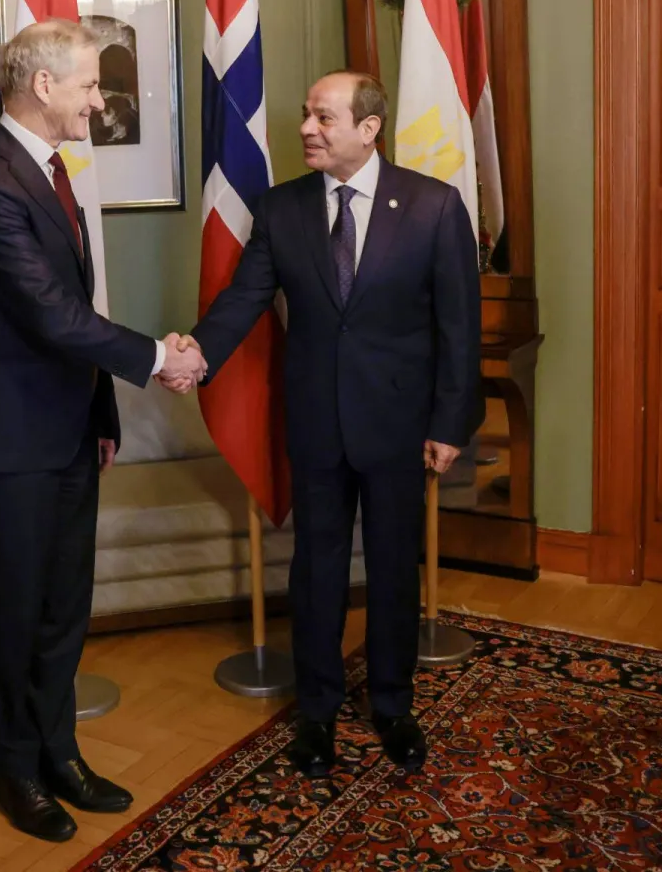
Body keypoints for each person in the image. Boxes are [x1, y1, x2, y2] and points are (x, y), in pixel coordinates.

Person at [0, 18, 206, 843]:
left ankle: (60, 753)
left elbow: (76, 314)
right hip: (6, 439)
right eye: (89, 83)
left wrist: (102, 412)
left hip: (67, 431)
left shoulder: (50, 172)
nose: (100, 97)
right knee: (15, 611)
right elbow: (51, 317)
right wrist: (162, 355)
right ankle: (15, 769)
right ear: (42, 85)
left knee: (64, 609)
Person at [160, 71, 481, 776]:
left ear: (368, 129)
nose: (306, 127)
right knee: (318, 570)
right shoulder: (283, 209)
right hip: (315, 422)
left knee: (395, 567)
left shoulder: (432, 207)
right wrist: (193, 353)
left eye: (323, 117)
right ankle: (317, 711)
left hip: (400, 424)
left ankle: (393, 704)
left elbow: (460, 326)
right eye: (306, 114)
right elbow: (244, 297)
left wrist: (451, 421)